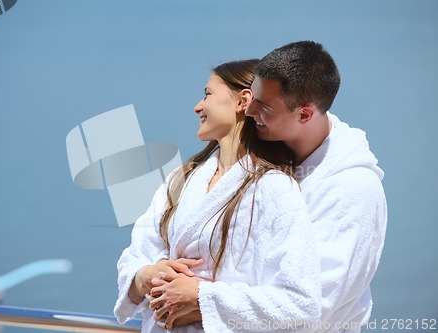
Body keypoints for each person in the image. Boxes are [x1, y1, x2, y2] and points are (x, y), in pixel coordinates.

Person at [153, 42, 388, 332]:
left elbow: (313, 306)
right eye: (252, 97)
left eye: (262, 105)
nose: (248, 110)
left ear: (304, 115)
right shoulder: (263, 161)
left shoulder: (351, 190)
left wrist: (201, 298)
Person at [114, 59, 321, 333]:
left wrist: (202, 298)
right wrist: (146, 276)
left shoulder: (275, 189)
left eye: (208, 94)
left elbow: (300, 305)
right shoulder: (181, 179)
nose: (197, 107)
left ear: (242, 101)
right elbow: (136, 255)